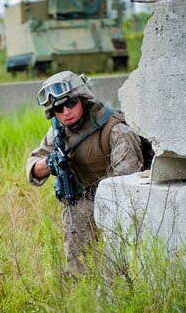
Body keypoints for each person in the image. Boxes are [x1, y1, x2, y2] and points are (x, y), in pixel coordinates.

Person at [26, 70, 144, 277]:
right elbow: (33, 166)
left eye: (70, 103)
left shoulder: (115, 130)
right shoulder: (58, 133)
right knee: (79, 273)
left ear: (83, 99)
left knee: (119, 269)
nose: (65, 112)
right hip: (80, 210)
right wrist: (50, 163)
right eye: (57, 108)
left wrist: (95, 201)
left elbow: (127, 189)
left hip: (119, 209)